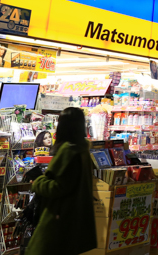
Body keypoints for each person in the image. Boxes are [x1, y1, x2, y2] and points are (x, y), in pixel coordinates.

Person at [26, 107, 97, 255]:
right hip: (74, 218)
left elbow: (58, 187)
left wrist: (38, 181)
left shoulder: (68, 151)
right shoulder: (83, 149)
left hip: (59, 217)